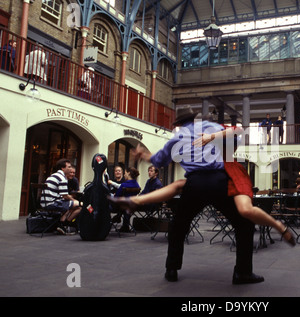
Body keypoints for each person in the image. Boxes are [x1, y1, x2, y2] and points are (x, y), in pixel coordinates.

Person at [111, 106, 279, 284]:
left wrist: (144, 155)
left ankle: (171, 269)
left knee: (179, 226)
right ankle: (242, 273)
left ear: (180, 123)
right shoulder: (211, 127)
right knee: (244, 223)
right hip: (218, 181)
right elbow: (235, 136)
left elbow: (160, 160)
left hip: (195, 182)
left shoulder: (178, 137)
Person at [40, 159, 82, 235]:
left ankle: (61, 224)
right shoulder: (62, 178)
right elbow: (65, 196)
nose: (70, 169)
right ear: (63, 168)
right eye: (69, 167)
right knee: (80, 206)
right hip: (53, 203)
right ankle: (65, 224)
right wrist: (75, 200)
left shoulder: (53, 175)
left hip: (45, 203)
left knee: (70, 205)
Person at [113, 167, 141, 232]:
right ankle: (124, 224)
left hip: (120, 207)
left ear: (128, 173)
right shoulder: (137, 185)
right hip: (131, 205)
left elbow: (116, 197)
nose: (124, 175)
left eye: (125, 173)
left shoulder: (123, 185)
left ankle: (113, 219)